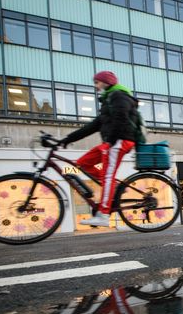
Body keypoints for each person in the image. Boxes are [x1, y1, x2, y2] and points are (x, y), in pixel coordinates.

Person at [60, 71, 145, 227]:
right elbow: (93, 125)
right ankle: (116, 187)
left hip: (120, 141)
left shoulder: (119, 96)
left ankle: (103, 215)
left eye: (97, 82)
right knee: (81, 164)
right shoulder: (108, 101)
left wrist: (111, 141)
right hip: (112, 142)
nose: (96, 86)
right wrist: (68, 139)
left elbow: (122, 118)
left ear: (106, 82)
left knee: (107, 176)